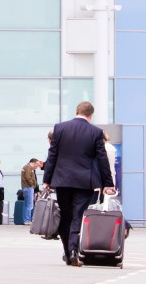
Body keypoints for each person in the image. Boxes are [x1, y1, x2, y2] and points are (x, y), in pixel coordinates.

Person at [42, 101, 115, 267]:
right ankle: (74, 250)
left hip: (62, 180)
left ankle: (68, 253)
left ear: (76, 111)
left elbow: (52, 155)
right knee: (77, 216)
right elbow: (102, 159)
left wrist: (47, 180)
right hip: (85, 181)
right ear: (91, 115)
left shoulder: (59, 128)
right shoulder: (96, 132)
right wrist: (107, 184)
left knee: (65, 216)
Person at [20, 158, 40, 224]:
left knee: (26, 204)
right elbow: (28, 177)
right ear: (33, 163)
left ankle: (26, 219)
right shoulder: (28, 167)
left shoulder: (26, 167)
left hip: (26, 187)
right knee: (30, 205)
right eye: (37, 164)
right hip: (28, 187)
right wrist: (32, 185)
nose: (37, 166)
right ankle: (28, 220)